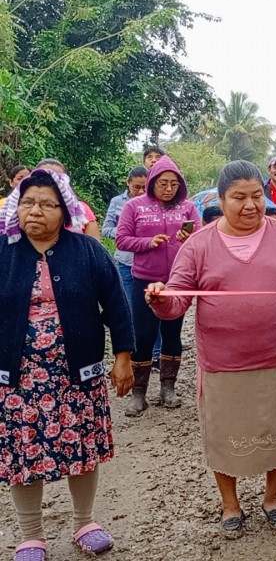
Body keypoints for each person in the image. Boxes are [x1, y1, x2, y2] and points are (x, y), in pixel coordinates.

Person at [146, 160, 276, 538]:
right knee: (224, 437)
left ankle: (273, 498)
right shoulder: (198, 245)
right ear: (220, 201)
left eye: (257, 196)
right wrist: (160, 299)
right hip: (224, 363)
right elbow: (177, 301)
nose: (250, 205)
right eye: (239, 197)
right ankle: (230, 504)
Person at [0, 168, 134, 560]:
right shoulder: (3, 251)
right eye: (27, 203)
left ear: (64, 210)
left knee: (81, 447)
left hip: (76, 373)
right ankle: (31, 535)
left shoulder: (88, 251)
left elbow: (116, 305)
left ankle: (84, 522)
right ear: (15, 208)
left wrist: (123, 356)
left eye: (46, 204)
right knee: (21, 455)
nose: (35, 212)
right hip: (18, 377)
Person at [116, 155, 200, 417]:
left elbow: (201, 239)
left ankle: (168, 388)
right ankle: (138, 393)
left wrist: (189, 237)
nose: (168, 189)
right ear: (152, 182)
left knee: (173, 334)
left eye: (174, 184)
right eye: (163, 183)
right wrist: (148, 243)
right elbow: (121, 239)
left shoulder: (187, 208)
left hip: (178, 281)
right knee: (143, 334)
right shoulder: (135, 206)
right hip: (144, 279)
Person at [102, 166, 148, 306]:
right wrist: (124, 232)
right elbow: (106, 229)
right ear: (127, 183)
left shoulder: (153, 202)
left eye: (144, 187)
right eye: (136, 187)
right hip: (125, 262)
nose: (140, 191)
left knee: (150, 308)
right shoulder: (117, 202)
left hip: (148, 263)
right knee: (129, 306)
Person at [34, 159, 102, 242]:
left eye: (58, 178)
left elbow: (95, 248)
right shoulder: (23, 209)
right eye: (44, 177)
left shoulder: (82, 210)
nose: (52, 181)